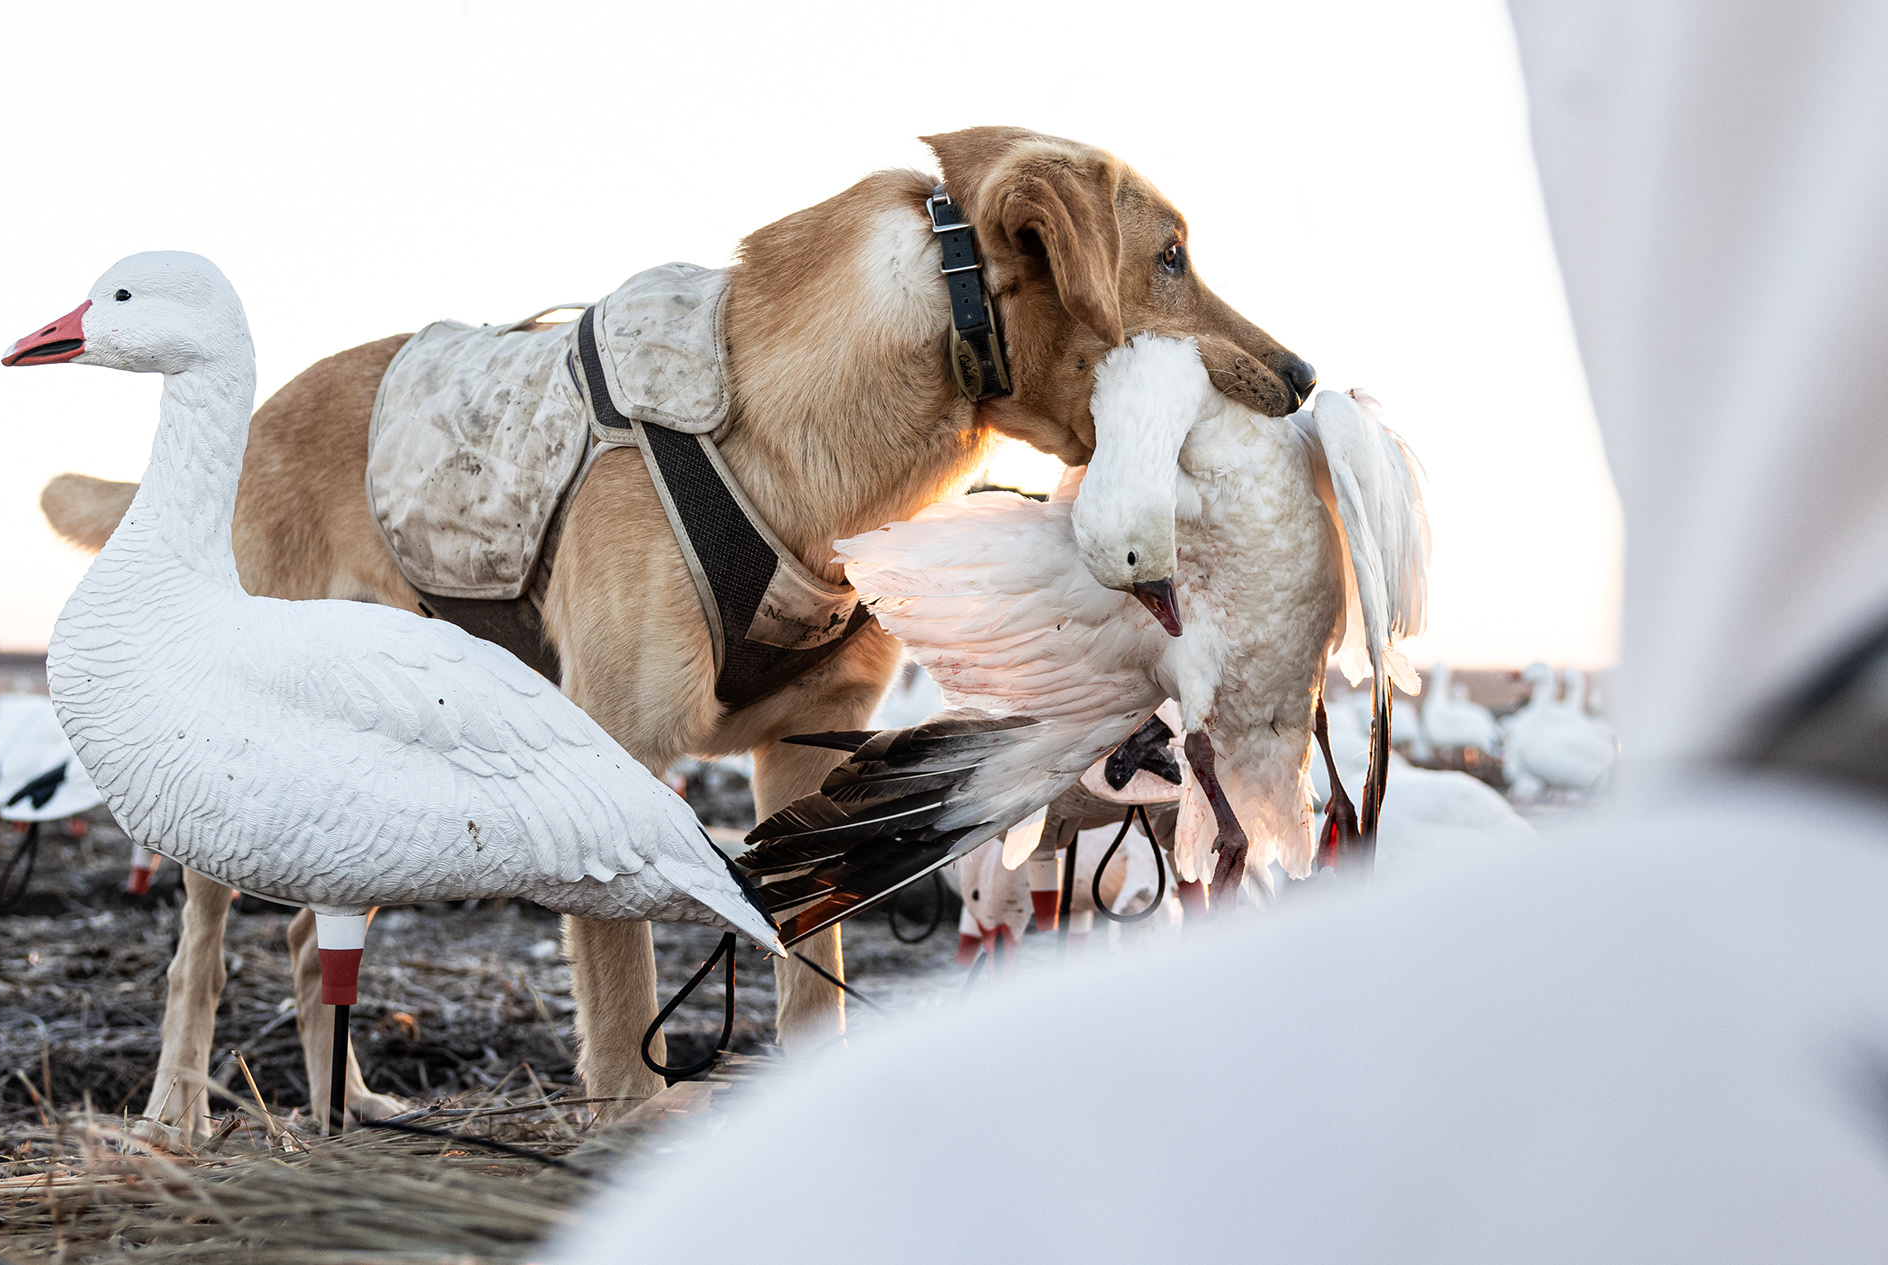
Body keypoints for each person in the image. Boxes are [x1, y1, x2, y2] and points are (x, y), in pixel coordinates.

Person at [548, 3, 1888, 1259]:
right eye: (1169, 270)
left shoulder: (835, 1184)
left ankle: (785, 1027)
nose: (1249, 356)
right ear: (1042, 254)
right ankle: (619, 1073)